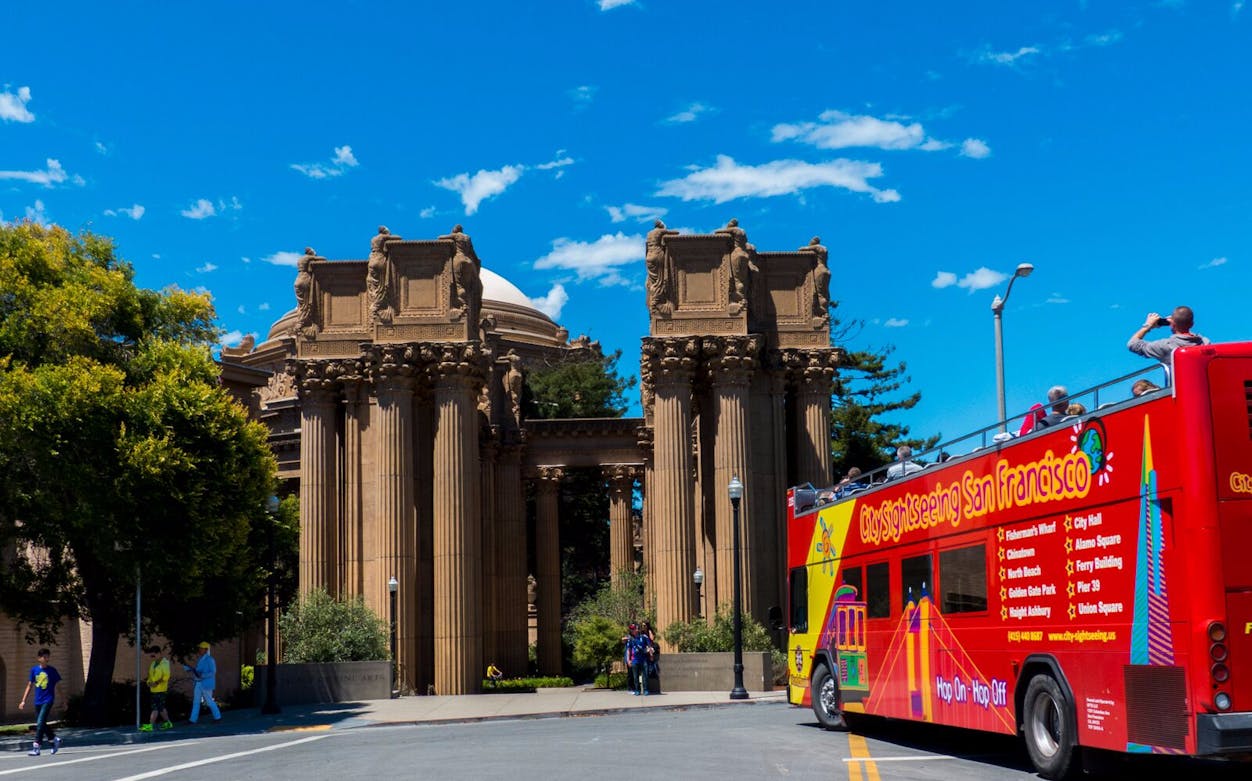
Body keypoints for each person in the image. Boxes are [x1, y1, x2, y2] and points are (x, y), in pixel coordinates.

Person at [1127, 306, 1209, 367]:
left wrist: (1148, 325)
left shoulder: (1166, 346)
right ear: (1192, 324)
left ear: (1172, 325)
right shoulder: (1205, 343)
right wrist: (1177, 323)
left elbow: (1132, 344)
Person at [18, 648, 62, 756]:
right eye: (44, 657)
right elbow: (29, 685)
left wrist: (64, 701)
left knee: (40, 722)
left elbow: (58, 686)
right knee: (42, 723)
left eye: (47, 657)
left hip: (48, 699)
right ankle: (54, 739)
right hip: (38, 701)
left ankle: (36, 746)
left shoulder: (52, 670)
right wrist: (23, 700)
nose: (46, 659)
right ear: (39, 658)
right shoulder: (34, 670)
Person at [183, 642, 221, 723]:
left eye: (201, 648)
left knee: (209, 701)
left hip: (206, 684)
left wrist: (202, 675)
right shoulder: (201, 659)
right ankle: (192, 720)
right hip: (198, 682)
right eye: (199, 648)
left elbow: (213, 672)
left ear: (206, 650)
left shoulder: (210, 659)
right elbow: (198, 671)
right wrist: (190, 669)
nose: (199, 649)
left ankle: (217, 717)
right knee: (196, 701)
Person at [143, 645, 173, 731]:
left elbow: (166, 676)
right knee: (161, 708)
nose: (153, 657)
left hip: (161, 690)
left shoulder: (165, 663)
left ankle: (151, 725)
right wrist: (149, 682)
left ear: (159, 653)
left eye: (154, 655)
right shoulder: (153, 663)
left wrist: (156, 683)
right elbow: (150, 675)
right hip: (153, 689)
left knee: (155, 707)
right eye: (151, 656)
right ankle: (168, 723)